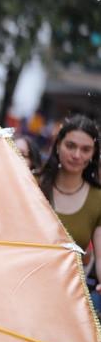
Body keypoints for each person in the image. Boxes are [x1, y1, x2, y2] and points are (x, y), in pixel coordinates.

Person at [38, 115, 101, 288]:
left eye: (86, 149)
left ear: (93, 154)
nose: (76, 155)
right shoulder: (32, 183)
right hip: (22, 283)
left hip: (66, 293)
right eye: (70, 146)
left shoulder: (97, 199)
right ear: (58, 145)